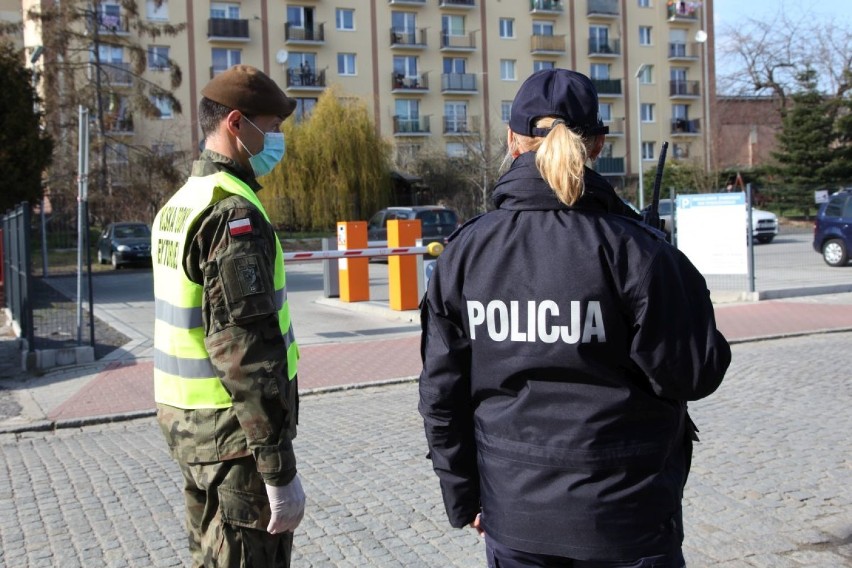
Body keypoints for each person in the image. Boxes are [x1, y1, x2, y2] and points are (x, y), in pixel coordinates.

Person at [418, 68, 731, 567]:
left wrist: (465, 498)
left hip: (516, 516)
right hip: (628, 520)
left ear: (512, 142)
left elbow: (441, 395)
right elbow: (693, 372)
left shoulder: (464, 253)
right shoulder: (638, 251)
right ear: (599, 144)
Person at [151, 64, 304, 567]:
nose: (277, 140)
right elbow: (245, 352)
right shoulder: (231, 214)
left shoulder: (180, 204)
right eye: (272, 127)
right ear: (236, 123)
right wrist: (278, 471)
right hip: (234, 441)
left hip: (190, 432)